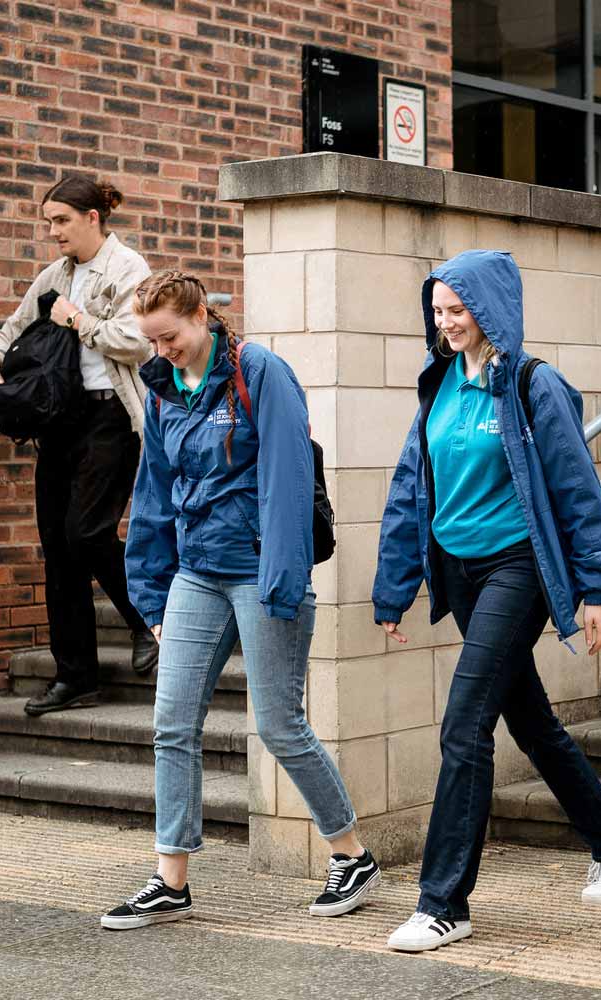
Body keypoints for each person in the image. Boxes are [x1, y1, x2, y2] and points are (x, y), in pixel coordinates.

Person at [372, 249, 601, 954]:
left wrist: (596, 587)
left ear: (490, 308)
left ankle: (443, 903)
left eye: (458, 309)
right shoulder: (438, 383)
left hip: (518, 568)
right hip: (460, 572)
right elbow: (411, 486)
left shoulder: (532, 383)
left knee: (464, 725)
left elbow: (577, 487)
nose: (446, 322)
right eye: (438, 311)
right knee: (529, 719)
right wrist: (394, 585)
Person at [106, 270, 377, 929]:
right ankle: (171, 880)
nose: (162, 351)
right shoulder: (164, 389)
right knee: (172, 723)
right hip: (197, 574)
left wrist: (284, 580)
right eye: (151, 342)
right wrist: (151, 596)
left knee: (279, 725)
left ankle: (351, 855)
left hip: (261, 572)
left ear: (202, 315)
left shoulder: (260, 373)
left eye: (169, 337)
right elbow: (153, 492)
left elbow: (289, 478)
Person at [0, 176, 159, 717]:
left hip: (111, 416)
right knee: (58, 545)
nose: (53, 231)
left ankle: (149, 619)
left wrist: (78, 319)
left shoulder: (127, 269)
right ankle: (75, 676)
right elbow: (12, 328)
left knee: (88, 531)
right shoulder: (54, 276)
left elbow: (138, 341)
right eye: (49, 222)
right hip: (60, 420)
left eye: (61, 220)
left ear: (92, 218)